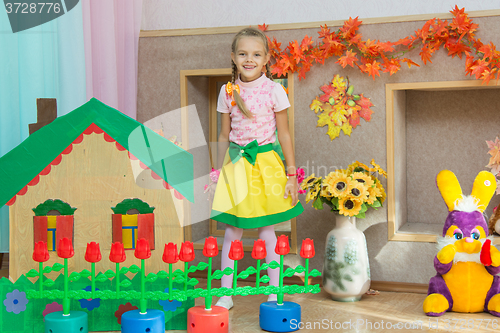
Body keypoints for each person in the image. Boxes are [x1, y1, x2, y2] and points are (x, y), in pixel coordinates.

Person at [210, 27, 304, 310]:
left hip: (266, 165)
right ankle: (226, 294)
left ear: (266, 59)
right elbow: (223, 136)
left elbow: (284, 134)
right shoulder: (227, 91)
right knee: (231, 230)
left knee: (267, 230)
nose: (249, 59)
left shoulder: (276, 90)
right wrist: (217, 174)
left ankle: (274, 291)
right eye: (243, 54)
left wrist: (291, 175)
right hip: (237, 164)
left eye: (256, 54)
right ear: (233, 57)